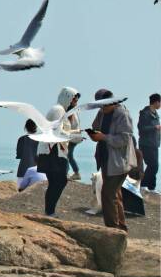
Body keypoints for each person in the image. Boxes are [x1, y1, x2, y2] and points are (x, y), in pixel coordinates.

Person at [91, 89, 133, 231]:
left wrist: (103, 137)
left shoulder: (122, 114)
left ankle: (112, 230)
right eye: (100, 105)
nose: (102, 108)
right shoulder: (102, 112)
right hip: (105, 159)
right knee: (115, 194)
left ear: (112, 101)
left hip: (119, 162)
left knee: (107, 195)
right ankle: (121, 227)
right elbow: (95, 127)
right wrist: (94, 134)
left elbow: (124, 139)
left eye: (105, 105)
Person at [56, 87, 84, 179]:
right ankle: (73, 173)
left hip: (72, 137)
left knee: (66, 155)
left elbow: (68, 126)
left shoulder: (69, 111)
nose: (76, 103)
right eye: (75, 101)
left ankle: (69, 173)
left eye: (76, 101)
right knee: (68, 155)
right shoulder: (71, 110)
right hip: (74, 136)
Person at [138, 93, 160, 192]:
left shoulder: (155, 114)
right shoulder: (145, 113)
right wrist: (154, 127)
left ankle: (151, 188)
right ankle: (143, 185)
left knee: (155, 166)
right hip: (146, 144)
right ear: (156, 102)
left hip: (154, 144)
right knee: (153, 165)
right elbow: (141, 128)